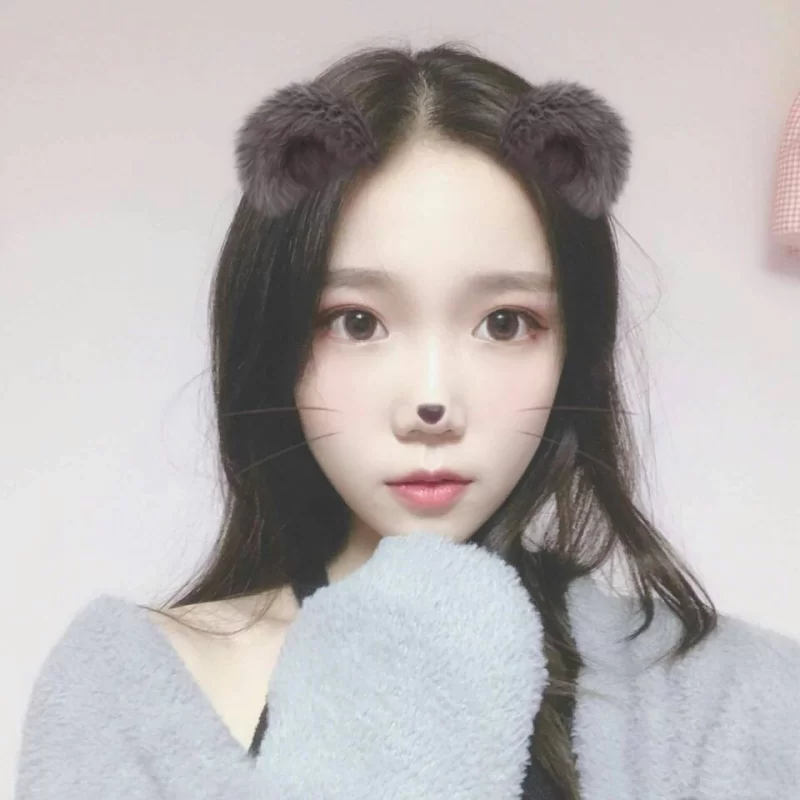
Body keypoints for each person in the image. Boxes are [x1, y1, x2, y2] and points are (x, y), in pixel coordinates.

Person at [14, 41, 800, 800]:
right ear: (274, 339)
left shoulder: (732, 703)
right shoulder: (131, 694)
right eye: (356, 322)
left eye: (504, 323)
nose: (432, 402)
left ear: (573, 348)